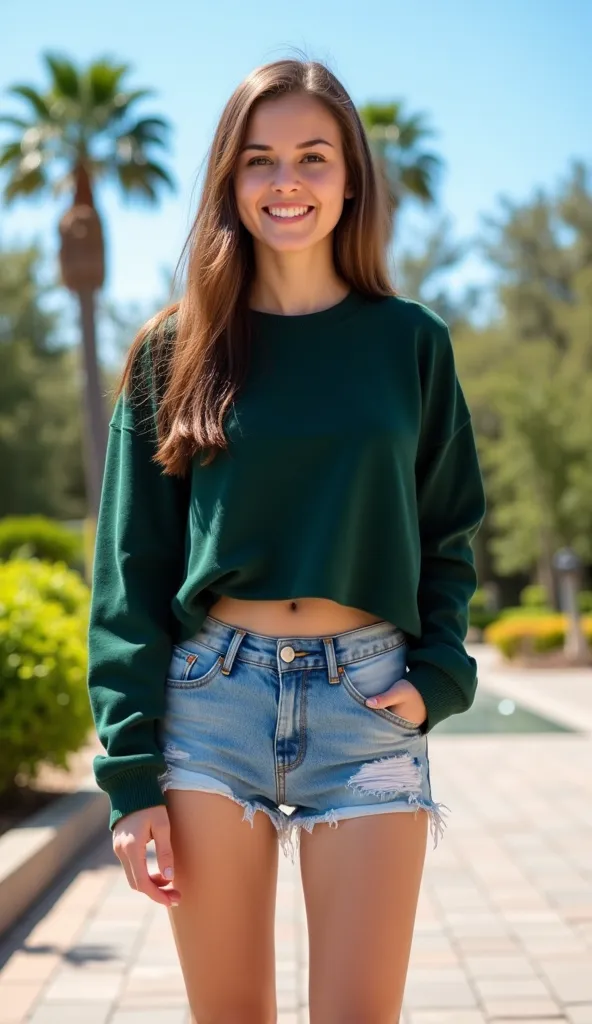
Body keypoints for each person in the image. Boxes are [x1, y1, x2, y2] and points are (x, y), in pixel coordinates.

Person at [87, 57, 486, 1023]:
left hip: (369, 707)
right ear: (231, 181)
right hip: (210, 710)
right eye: (259, 160)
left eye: (313, 156)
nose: (287, 182)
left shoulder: (411, 343)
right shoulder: (171, 351)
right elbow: (130, 572)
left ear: (351, 176)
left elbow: (449, 534)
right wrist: (131, 779)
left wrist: (439, 676)